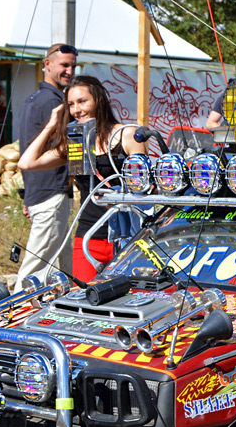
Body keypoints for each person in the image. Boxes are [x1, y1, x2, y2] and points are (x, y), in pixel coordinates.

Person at [19, 75, 145, 281]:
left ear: (99, 100)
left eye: (82, 101)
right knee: (85, 297)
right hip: (89, 236)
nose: (77, 110)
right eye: (71, 104)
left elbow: (144, 187)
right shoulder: (76, 144)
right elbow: (27, 163)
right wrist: (52, 124)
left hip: (127, 236)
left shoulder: (127, 134)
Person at [16, 43, 77, 287]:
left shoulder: (34, 99)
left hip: (41, 193)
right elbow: (62, 150)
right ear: (47, 64)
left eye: (73, 65)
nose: (70, 71)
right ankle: (12, 317)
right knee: (35, 269)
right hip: (51, 194)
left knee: (62, 270)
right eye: (64, 65)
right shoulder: (55, 103)